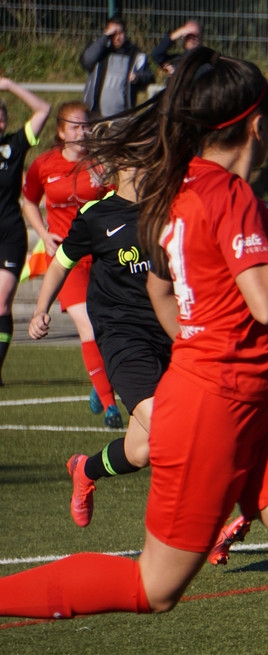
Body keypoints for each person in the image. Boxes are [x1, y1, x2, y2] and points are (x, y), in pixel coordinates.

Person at [0, 48, 268, 655]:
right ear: (258, 125)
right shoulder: (226, 193)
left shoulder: (181, 187)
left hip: (255, 399)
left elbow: (160, 285)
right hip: (217, 404)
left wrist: (194, 340)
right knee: (153, 586)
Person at [26, 162, 249, 564]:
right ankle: (210, 528)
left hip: (172, 334)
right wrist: (41, 309)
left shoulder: (171, 206)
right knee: (172, 430)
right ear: (122, 164)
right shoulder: (97, 215)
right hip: (123, 339)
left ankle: (85, 469)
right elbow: (61, 262)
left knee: (141, 450)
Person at [21, 101, 122, 427]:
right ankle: (111, 407)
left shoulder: (100, 164)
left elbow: (119, 202)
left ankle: (99, 378)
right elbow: (29, 201)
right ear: (62, 132)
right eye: (76, 126)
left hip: (103, 257)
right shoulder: (44, 165)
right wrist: (43, 233)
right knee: (87, 325)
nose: (84, 132)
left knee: (112, 327)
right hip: (66, 261)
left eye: (87, 126)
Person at [0, 79, 50, 386]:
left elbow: (43, 109)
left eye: (2, 117)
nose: (0, 123)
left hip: (9, 236)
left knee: (1, 304)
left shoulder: (13, 147)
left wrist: (9, 85)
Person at [80, 14, 154, 118]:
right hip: (96, 114)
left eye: (120, 33)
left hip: (122, 117)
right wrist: (105, 38)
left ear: (125, 33)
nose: (117, 37)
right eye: (113, 34)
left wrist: (137, 77)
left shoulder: (136, 54)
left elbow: (149, 77)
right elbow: (86, 60)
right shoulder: (99, 51)